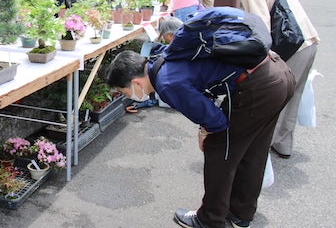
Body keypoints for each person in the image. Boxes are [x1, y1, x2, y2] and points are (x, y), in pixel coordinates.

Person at [105, 19, 295, 228]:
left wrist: (206, 132)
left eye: (124, 92)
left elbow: (216, 121)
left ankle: (210, 220)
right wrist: (205, 127)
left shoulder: (167, 85)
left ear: (136, 82)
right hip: (278, 72)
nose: (130, 96)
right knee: (253, 151)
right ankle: (241, 213)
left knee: (218, 148)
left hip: (258, 86)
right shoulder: (165, 59)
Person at [214, 0, 320, 160]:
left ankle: (260, 154)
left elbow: (260, 26)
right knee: (291, 97)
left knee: (273, 97)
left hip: (292, 45)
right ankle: (282, 145)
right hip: (307, 41)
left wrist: (254, 63)